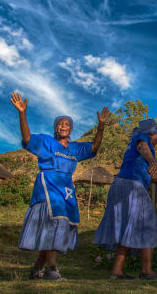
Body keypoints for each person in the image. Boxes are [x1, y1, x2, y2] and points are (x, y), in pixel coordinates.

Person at [11, 92, 110, 280]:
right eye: (60, 123)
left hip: (66, 189)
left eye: (67, 124)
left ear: (70, 129)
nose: (63, 125)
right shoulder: (47, 142)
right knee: (56, 223)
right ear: (56, 128)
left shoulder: (74, 148)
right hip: (48, 185)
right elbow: (27, 139)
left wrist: (101, 126)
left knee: (59, 226)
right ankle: (51, 269)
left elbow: (94, 148)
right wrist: (22, 113)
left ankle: (36, 270)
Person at [94, 119, 157, 280]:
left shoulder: (134, 144)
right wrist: (153, 161)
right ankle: (147, 271)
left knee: (129, 227)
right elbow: (142, 148)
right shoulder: (142, 138)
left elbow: (147, 173)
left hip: (121, 184)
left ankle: (117, 270)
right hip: (132, 186)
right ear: (152, 133)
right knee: (149, 224)